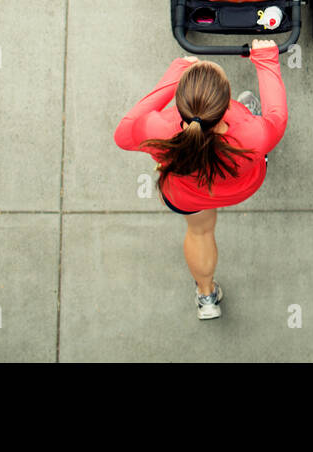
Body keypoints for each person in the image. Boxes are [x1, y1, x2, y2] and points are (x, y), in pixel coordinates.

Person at [113, 39, 287, 319]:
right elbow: (277, 116)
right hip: (240, 187)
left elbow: (122, 134)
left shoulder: (156, 128)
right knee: (257, 121)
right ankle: (247, 106)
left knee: (200, 232)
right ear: (224, 106)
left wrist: (174, 75)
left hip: (188, 196)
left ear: (180, 104)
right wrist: (265, 57)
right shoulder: (255, 135)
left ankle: (207, 296)